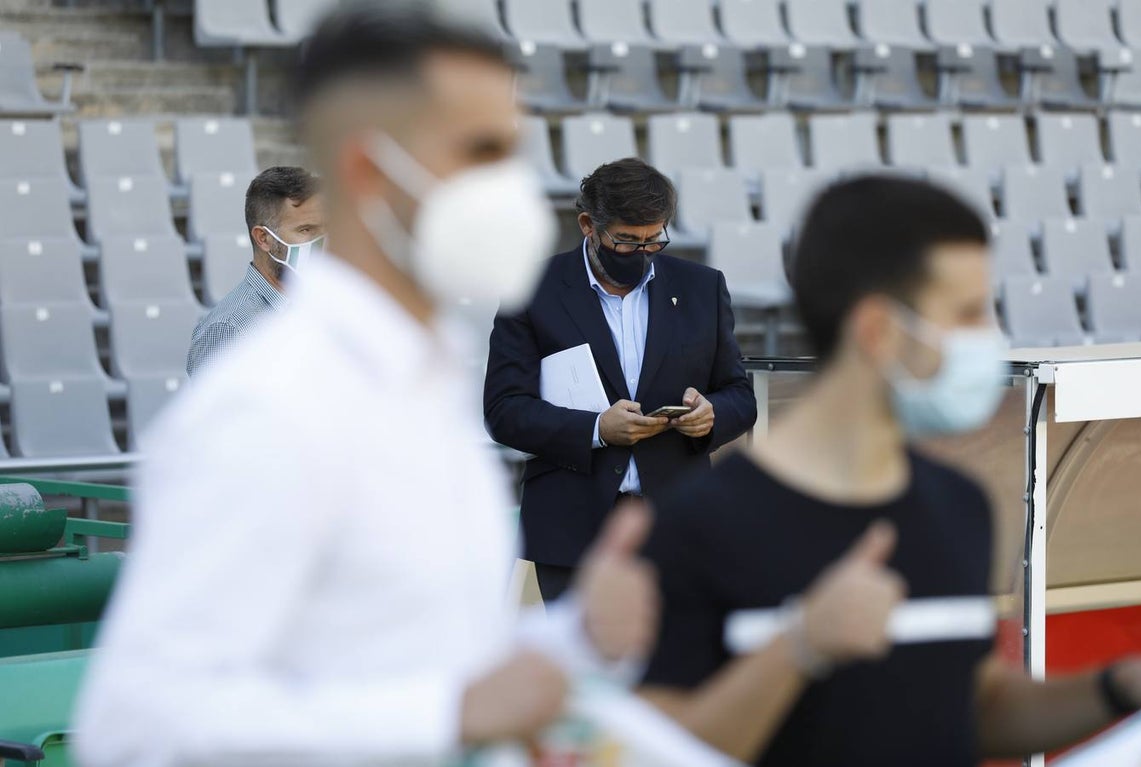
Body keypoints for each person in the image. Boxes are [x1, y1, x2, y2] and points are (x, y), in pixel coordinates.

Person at [73, 4, 658, 766]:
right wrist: (450, 713)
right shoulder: (269, 405)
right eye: (480, 151)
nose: (513, 188)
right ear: (368, 171)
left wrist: (569, 639)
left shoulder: (420, 381)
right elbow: (134, 726)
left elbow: (405, 659)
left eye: (512, 152)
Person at [637, 175, 1141, 766]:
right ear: (878, 329)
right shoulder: (696, 523)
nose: (988, 338)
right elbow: (658, 751)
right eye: (966, 314)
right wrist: (800, 648)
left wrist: (1120, 685)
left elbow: (975, 706)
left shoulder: (958, 505)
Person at [484, 158, 758, 602]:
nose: (643, 253)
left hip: (677, 522)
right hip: (573, 526)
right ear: (588, 225)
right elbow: (504, 409)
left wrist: (710, 416)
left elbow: (739, 396)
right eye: (627, 242)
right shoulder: (532, 289)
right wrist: (595, 429)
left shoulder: (701, 288)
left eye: (655, 241)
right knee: (580, 666)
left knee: (673, 665)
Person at [186, 166, 325, 377]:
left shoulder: (322, 306)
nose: (320, 241)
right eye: (306, 230)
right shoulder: (229, 329)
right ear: (263, 238)